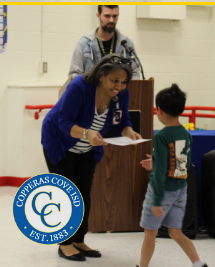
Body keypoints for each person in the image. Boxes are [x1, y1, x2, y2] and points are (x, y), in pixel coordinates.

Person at [40, 55, 142, 261]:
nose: (119, 86)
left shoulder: (120, 93)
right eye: (115, 80)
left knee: (84, 193)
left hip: (88, 147)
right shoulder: (80, 87)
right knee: (66, 194)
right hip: (60, 142)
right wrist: (88, 134)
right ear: (102, 76)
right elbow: (63, 122)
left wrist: (129, 131)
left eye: (123, 82)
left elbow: (121, 120)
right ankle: (64, 243)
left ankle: (78, 240)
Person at [137, 84, 207, 267]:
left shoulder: (161, 136)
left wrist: (158, 199)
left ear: (158, 110)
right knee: (176, 232)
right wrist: (156, 162)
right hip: (180, 190)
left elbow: (160, 173)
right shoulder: (186, 133)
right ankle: (198, 263)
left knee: (150, 233)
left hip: (162, 191)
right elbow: (180, 163)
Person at [68, 5, 142, 81]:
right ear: (98, 15)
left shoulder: (126, 44)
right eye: (107, 16)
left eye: (115, 16)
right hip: (91, 91)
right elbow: (74, 75)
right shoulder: (84, 44)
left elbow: (135, 73)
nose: (111, 20)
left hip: (119, 91)